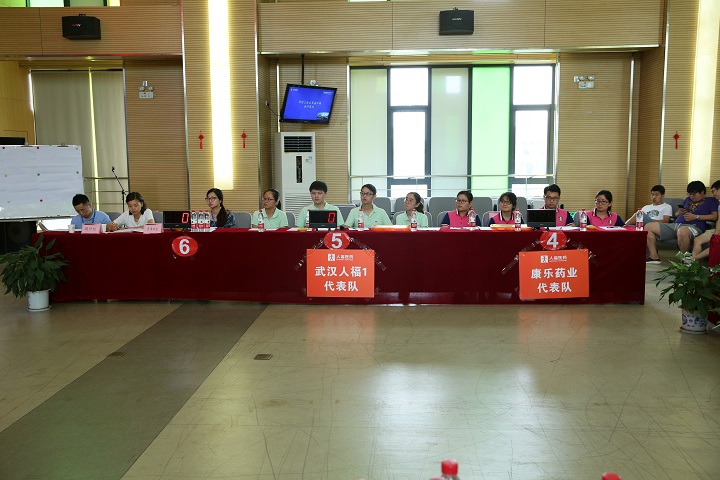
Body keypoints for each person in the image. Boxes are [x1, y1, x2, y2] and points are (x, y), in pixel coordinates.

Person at [645, 180, 719, 264]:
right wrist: (678, 213)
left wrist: (696, 217)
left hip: (694, 226)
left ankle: (684, 260)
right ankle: (654, 256)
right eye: (689, 194)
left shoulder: (711, 201)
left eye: (694, 194)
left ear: (702, 192)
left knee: (682, 231)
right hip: (676, 224)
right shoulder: (688, 199)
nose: (691, 196)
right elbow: (676, 214)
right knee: (648, 226)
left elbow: (714, 216)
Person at [691, 180, 720, 260]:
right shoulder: (719, 205)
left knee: (716, 244)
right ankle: (694, 264)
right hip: (717, 230)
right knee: (697, 240)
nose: (712, 194)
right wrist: (716, 234)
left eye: (713, 191)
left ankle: (693, 259)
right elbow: (719, 220)